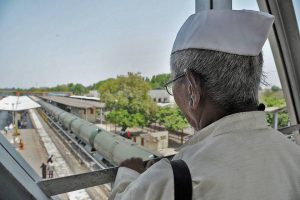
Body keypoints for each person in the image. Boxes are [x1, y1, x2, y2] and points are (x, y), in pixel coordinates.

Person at [109, 10, 300, 200]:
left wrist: (127, 175)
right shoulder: (294, 155)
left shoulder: (172, 180)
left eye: (173, 83)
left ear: (192, 88)